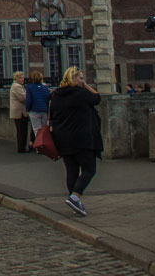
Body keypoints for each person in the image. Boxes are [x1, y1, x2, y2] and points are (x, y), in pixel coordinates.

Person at [49, 66, 102, 217]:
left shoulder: (56, 95)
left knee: (71, 170)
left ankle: (74, 201)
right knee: (89, 169)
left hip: (62, 138)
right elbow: (97, 98)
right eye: (80, 78)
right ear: (74, 79)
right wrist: (85, 85)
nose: (82, 81)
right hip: (82, 138)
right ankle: (75, 196)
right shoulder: (81, 94)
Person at [25, 70, 51, 139]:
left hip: (34, 110)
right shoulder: (45, 88)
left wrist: (28, 109)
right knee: (44, 129)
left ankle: (39, 146)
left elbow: (28, 100)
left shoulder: (30, 88)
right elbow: (47, 99)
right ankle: (44, 145)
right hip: (44, 111)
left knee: (37, 130)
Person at [9, 71, 29, 153]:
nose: (22, 79)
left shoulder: (17, 86)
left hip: (19, 112)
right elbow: (23, 98)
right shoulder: (17, 86)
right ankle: (21, 148)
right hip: (20, 112)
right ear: (16, 78)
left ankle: (22, 147)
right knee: (22, 131)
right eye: (20, 78)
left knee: (22, 130)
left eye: (22, 77)